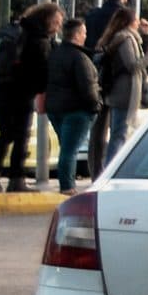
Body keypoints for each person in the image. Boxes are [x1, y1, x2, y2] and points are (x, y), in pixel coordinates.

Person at [0, 3, 63, 193]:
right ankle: (16, 179)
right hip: (20, 93)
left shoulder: (21, 31)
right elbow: (41, 72)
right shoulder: (39, 41)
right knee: (21, 137)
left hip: (1, 89)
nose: (58, 27)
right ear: (47, 20)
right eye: (57, 22)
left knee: (7, 134)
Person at [92, 9, 148, 175]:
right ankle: (110, 171)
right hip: (123, 94)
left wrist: (147, 37)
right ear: (129, 22)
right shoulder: (125, 39)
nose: (138, 22)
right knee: (119, 134)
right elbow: (132, 65)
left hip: (124, 93)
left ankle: (111, 169)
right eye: (136, 20)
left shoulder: (131, 38)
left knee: (121, 133)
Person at [45, 17, 104, 193]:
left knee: (66, 148)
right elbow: (88, 87)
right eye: (84, 33)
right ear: (77, 35)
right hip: (76, 110)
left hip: (56, 109)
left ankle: (66, 183)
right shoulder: (80, 58)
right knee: (70, 151)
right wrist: (96, 105)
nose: (86, 36)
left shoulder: (55, 54)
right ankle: (67, 186)